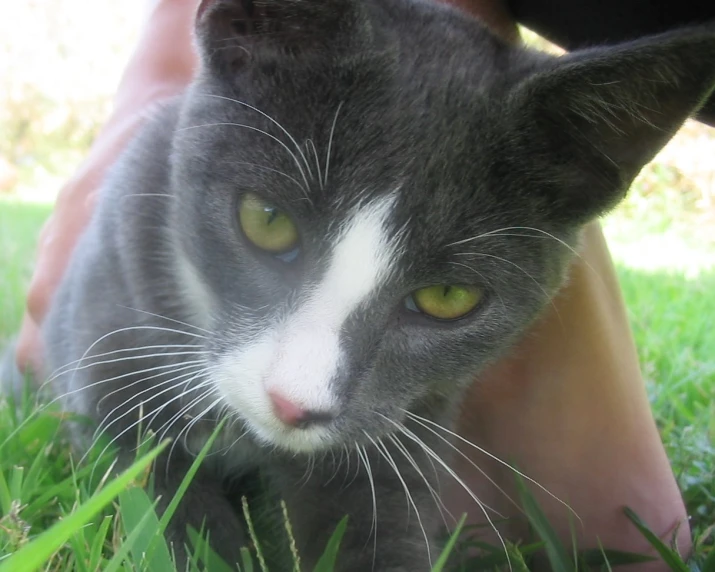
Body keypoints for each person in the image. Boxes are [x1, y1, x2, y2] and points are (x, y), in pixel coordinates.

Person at [14, 0, 714, 565]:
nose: (302, 391)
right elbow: (109, 416)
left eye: (442, 298)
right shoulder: (147, 210)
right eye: (269, 225)